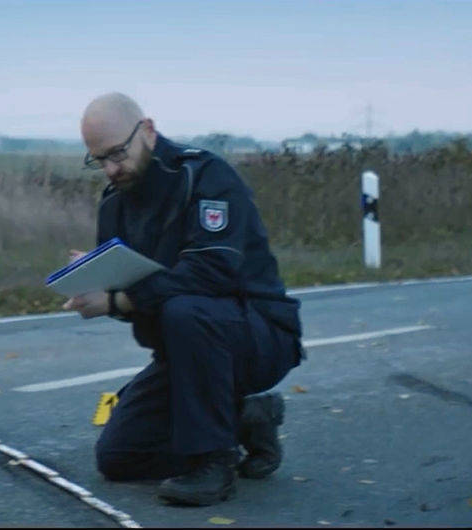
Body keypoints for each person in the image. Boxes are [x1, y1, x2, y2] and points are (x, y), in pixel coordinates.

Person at [62, 93, 305, 506]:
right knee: (118, 457)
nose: (111, 169)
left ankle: (212, 464)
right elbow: (141, 300)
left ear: (149, 130)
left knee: (185, 307)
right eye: (98, 159)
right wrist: (100, 281)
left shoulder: (205, 177)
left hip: (257, 335)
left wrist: (118, 300)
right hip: (186, 354)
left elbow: (210, 273)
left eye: (118, 153)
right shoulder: (114, 206)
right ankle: (247, 419)